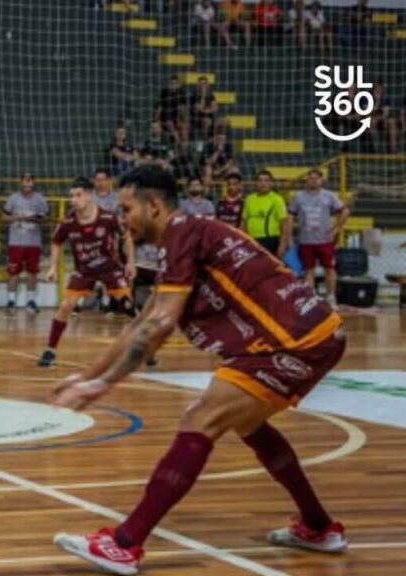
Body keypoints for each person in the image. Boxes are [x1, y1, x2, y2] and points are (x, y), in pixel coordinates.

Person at [52, 165, 347, 575]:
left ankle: (124, 544)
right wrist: (88, 377)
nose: (121, 218)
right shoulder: (183, 235)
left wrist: (102, 385)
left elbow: (160, 325)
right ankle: (318, 527)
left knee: (201, 418)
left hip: (293, 340)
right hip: (297, 337)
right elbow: (144, 319)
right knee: (247, 423)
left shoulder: (183, 232)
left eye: (126, 208)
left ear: (154, 206)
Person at [38, 178, 136, 368]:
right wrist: (52, 267)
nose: (73, 200)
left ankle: (145, 347)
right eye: (71, 196)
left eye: (78, 195)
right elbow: (56, 242)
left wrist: (131, 262)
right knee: (66, 305)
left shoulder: (107, 217)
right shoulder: (68, 221)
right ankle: (50, 350)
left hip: (109, 268)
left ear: (89, 196)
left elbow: (126, 236)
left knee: (128, 306)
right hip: (84, 270)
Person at [289, 170, 349, 305]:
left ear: (322, 180)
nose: (313, 181)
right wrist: (289, 235)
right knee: (308, 271)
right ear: (306, 180)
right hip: (305, 240)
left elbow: (344, 211)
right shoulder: (298, 197)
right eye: (310, 178)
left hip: (325, 240)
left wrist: (336, 229)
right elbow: (290, 215)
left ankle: (331, 298)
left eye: (316, 178)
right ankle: (311, 300)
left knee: (329, 269)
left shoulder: (329, 196)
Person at [2, 172, 49, 312]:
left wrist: (35, 218)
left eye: (30, 180)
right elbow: (3, 216)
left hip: (33, 242)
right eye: (25, 180)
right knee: (13, 272)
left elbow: (46, 218)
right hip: (16, 242)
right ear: (20, 181)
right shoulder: (13, 198)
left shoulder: (40, 199)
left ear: (33, 182)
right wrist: (15, 218)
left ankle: (31, 301)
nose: (27, 183)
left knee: (32, 273)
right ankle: (11, 301)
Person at [242, 169, 290, 258]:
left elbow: (284, 224)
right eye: (260, 180)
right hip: (251, 240)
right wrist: (242, 240)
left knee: (270, 270)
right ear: (255, 183)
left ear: (271, 183)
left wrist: (282, 245)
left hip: (270, 240)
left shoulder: (277, 199)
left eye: (266, 180)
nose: (263, 183)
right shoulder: (249, 199)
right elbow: (244, 222)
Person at [154, 76, 189, 151]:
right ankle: (179, 142)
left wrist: (182, 118)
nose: (172, 86)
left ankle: (185, 145)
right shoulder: (164, 92)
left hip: (177, 115)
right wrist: (156, 118)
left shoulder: (181, 93)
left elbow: (183, 109)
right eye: (171, 84)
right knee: (169, 122)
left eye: (174, 84)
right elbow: (160, 106)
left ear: (178, 85)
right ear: (168, 84)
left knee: (184, 124)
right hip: (166, 116)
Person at [190, 77, 217, 141]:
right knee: (206, 121)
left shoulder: (211, 95)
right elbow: (199, 108)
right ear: (198, 85)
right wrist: (203, 95)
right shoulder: (194, 96)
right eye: (201, 84)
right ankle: (204, 140)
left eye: (204, 84)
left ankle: (215, 141)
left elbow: (215, 108)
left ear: (207, 85)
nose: (203, 86)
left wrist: (206, 111)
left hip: (209, 116)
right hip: (197, 118)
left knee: (221, 121)